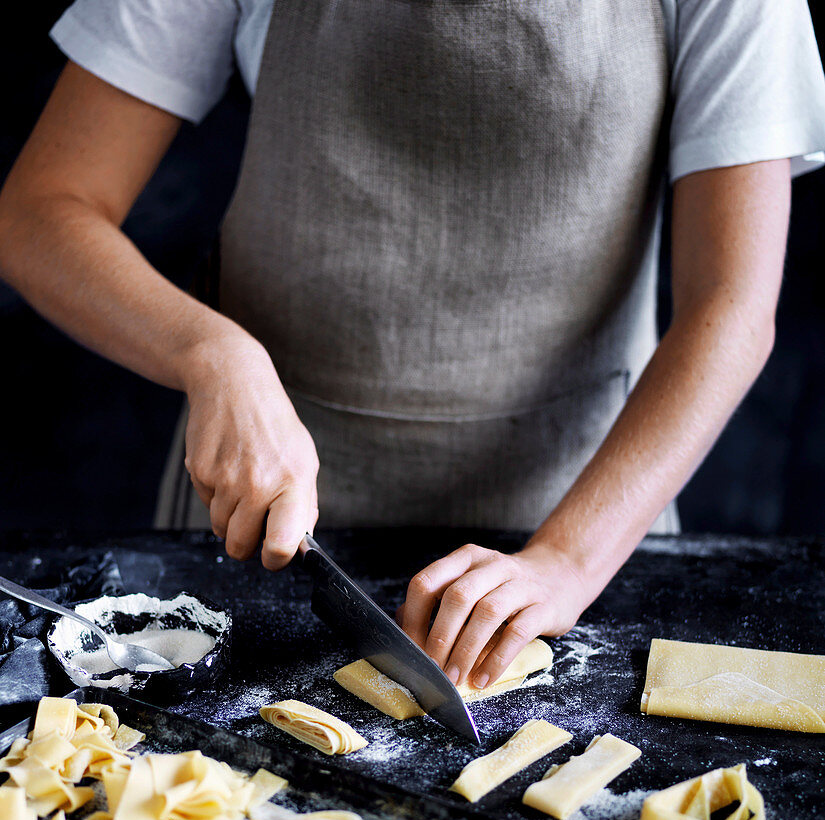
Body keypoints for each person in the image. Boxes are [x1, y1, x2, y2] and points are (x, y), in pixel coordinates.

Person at [1, 0, 824, 692]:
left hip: (583, 514)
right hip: (256, 519)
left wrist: (567, 559)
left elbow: (730, 304)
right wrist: (214, 355)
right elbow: (41, 209)